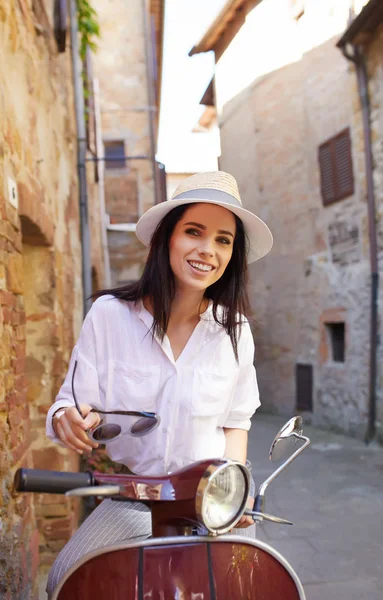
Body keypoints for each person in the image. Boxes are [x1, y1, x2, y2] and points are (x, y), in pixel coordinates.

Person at [45, 171, 273, 596]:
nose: (208, 250)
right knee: (67, 579)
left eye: (223, 240)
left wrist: (237, 485)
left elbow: (236, 420)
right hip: (136, 497)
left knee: (243, 588)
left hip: (211, 501)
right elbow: (68, 405)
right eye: (194, 232)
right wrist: (68, 420)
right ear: (165, 238)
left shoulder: (235, 331)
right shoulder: (109, 315)